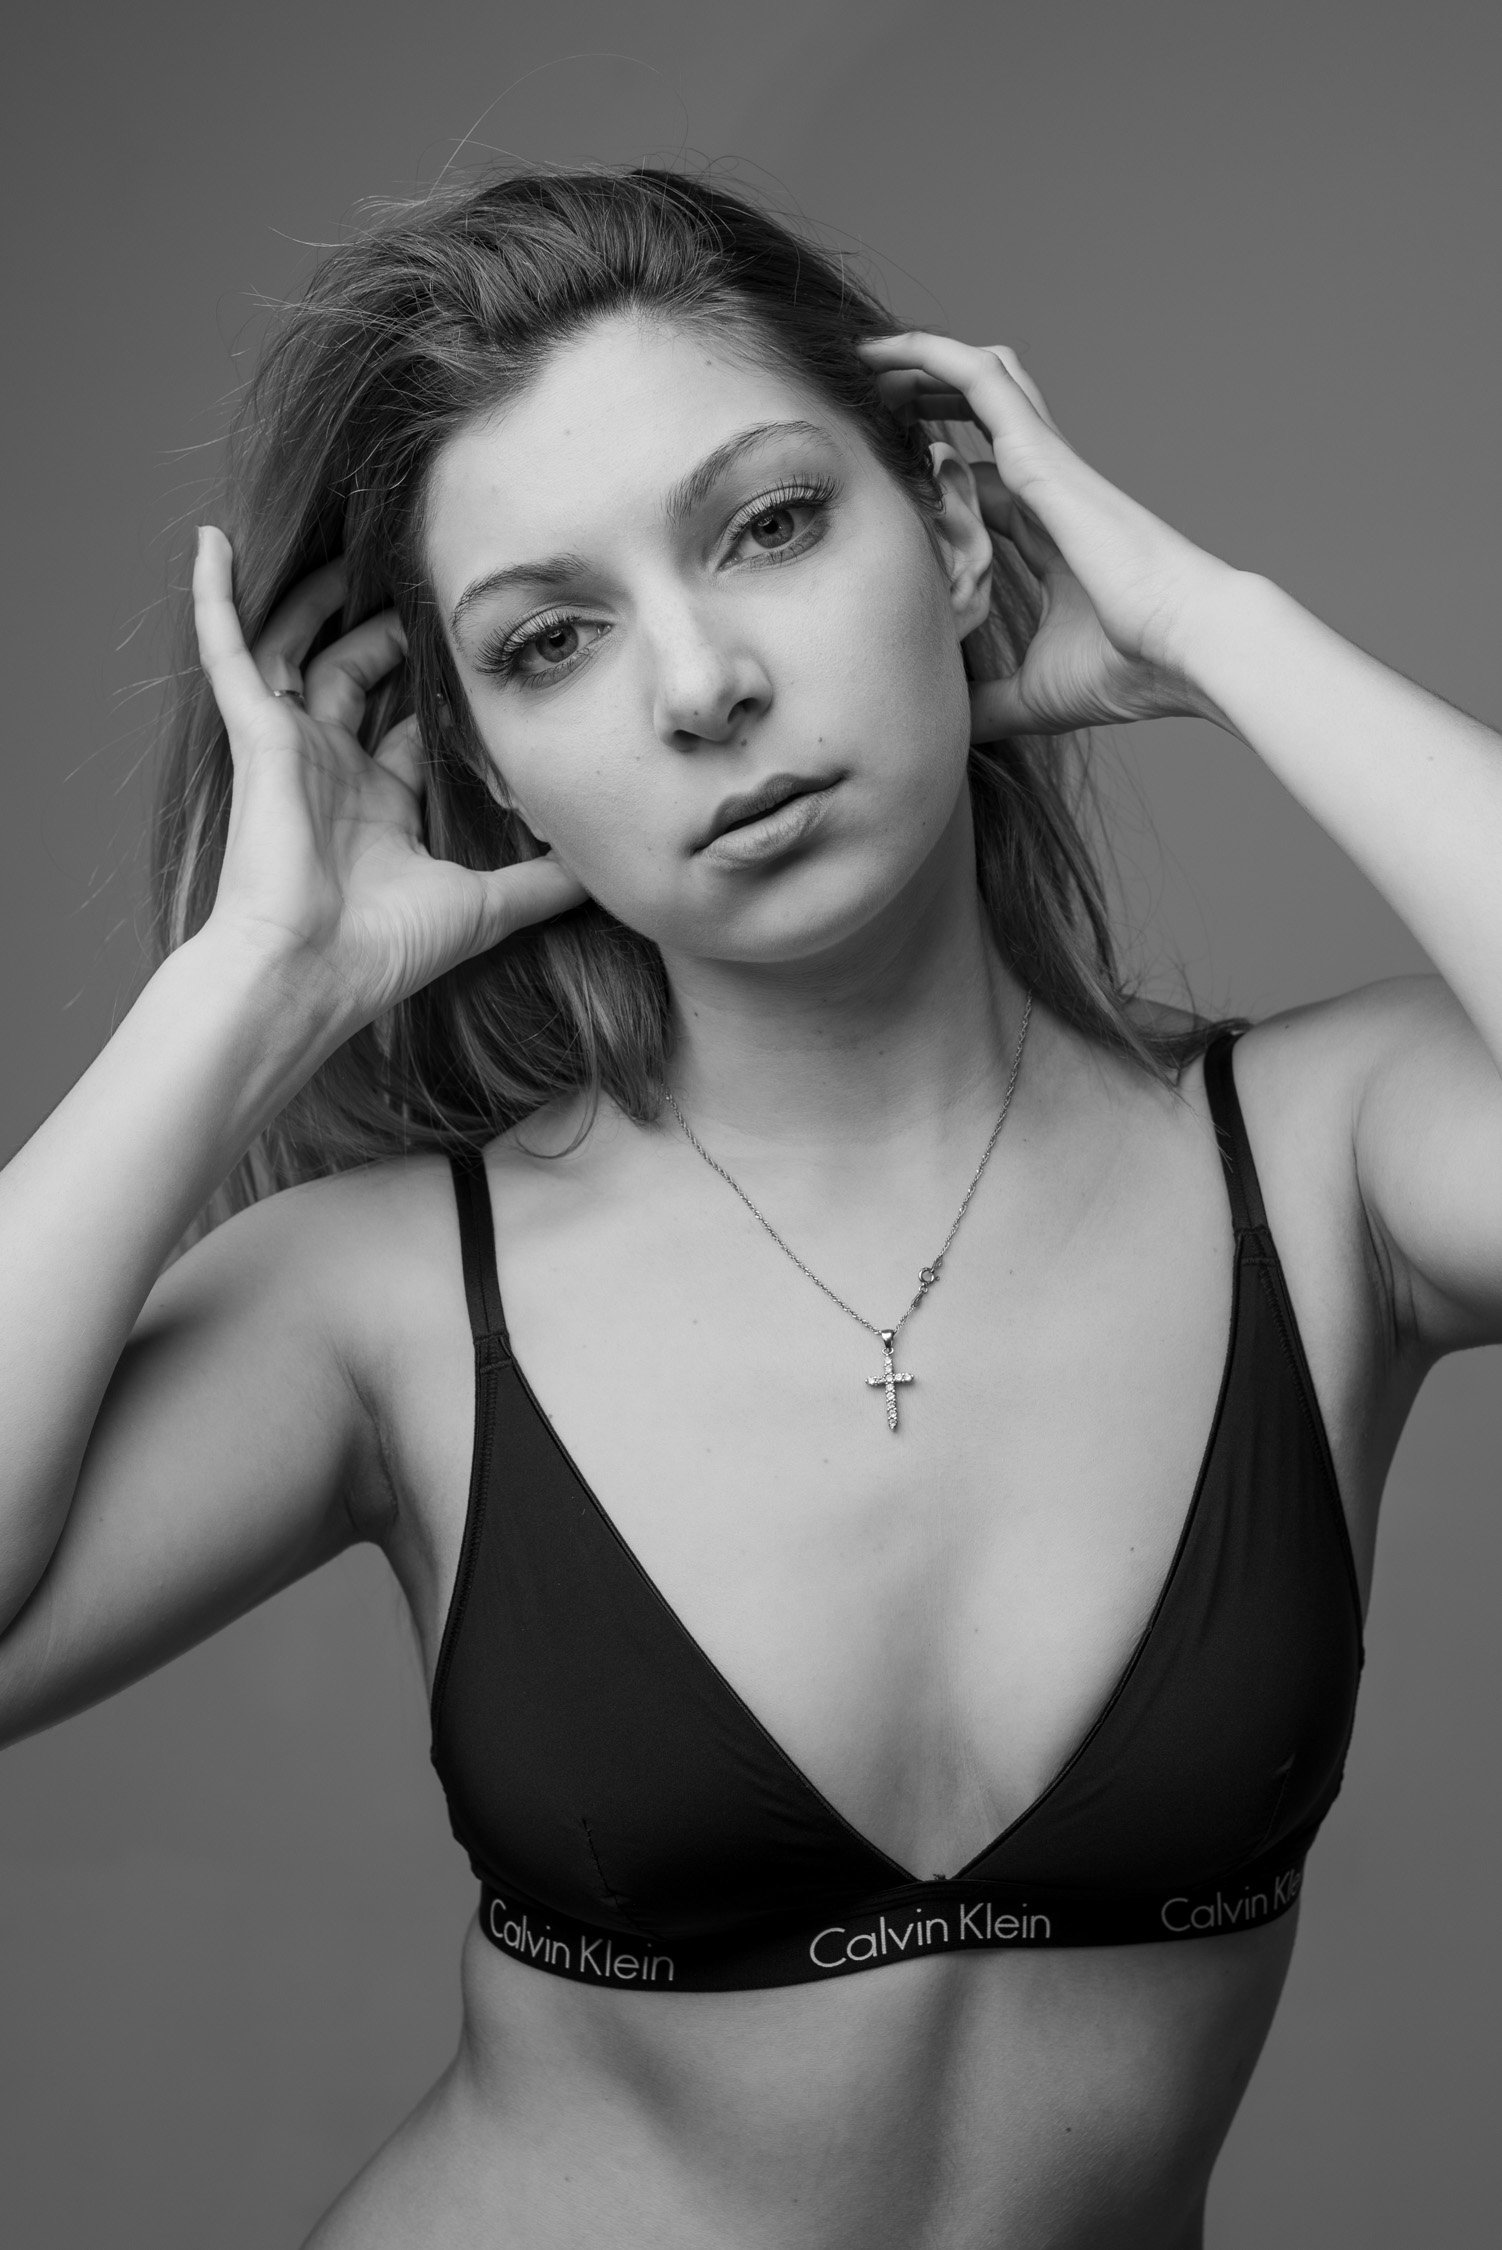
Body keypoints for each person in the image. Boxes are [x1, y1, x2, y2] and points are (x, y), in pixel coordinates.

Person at [1, 165, 1498, 2250]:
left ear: (959, 529)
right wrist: (251, 986)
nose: (700, 685)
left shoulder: (1322, 1165)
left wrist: (1207, 628)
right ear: (488, 767)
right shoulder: (399, 1305)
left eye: (771, 524)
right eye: (550, 641)